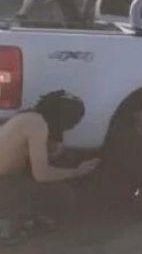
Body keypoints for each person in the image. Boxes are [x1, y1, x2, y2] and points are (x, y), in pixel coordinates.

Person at [0, 91, 99, 239]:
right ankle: (17, 221)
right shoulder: (37, 125)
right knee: (63, 194)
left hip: (6, 180)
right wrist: (78, 171)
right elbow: (41, 175)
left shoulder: (27, 117)